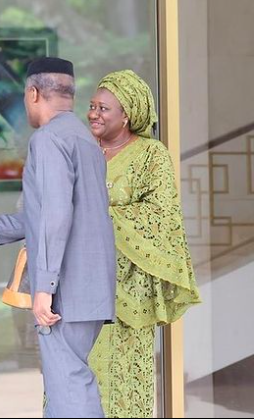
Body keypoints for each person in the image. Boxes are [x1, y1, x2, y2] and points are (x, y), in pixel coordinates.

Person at [0, 57, 116, 418]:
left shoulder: (48, 140)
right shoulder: (86, 141)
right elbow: (37, 218)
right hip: (89, 287)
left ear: (33, 93)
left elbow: (56, 215)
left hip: (65, 291)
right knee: (61, 391)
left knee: (69, 387)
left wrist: (45, 288)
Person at [86, 69, 201, 418]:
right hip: (77, 288)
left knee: (122, 388)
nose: (93, 113)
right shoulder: (79, 151)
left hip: (128, 291)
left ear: (128, 115)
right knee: (76, 383)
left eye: (104, 108)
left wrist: (97, 215)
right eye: (91, 106)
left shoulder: (152, 155)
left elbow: (161, 214)